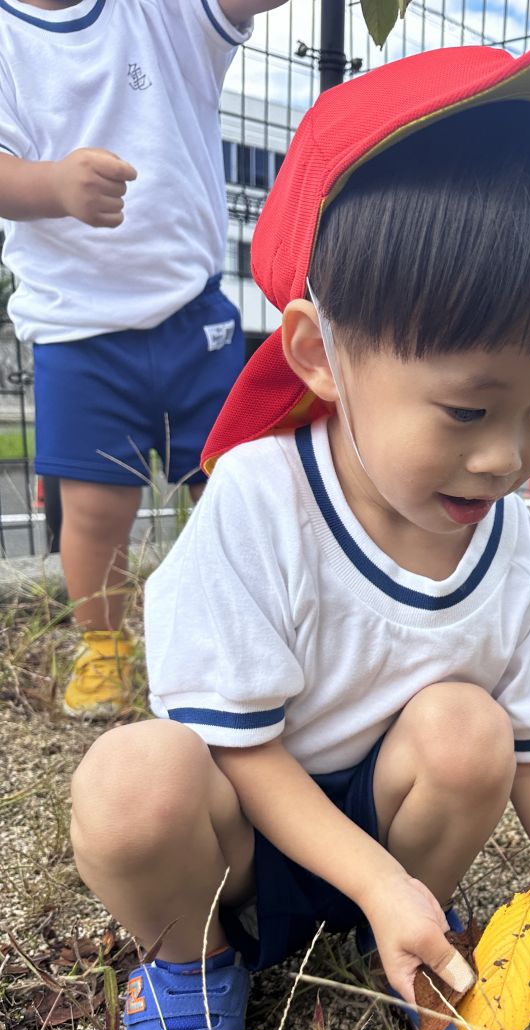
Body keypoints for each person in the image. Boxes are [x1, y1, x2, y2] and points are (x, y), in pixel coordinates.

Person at [69, 0, 530, 1030]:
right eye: (468, 405)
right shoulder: (262, 500)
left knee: (476, 730)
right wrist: (372, 876)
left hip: (384, 842)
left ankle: (400, 939)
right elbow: (239, 745)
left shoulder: (506, 542)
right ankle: (189, 967)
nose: (508, 455)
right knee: (131, 783)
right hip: (239, 845)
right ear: (320, 354)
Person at [0, 0, 288, 718]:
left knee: (233, 489)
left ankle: (242, 634)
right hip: (78, 329)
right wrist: (55, 186)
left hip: (194, 311)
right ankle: (106, 652)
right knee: (93, 513)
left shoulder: (160, 9)